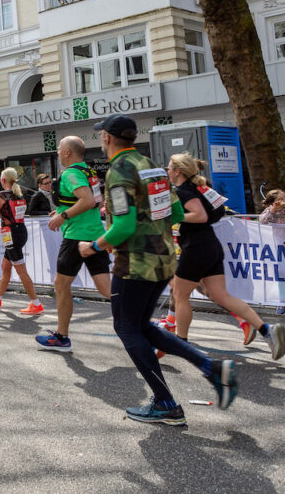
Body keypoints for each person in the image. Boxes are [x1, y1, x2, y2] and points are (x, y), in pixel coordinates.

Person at [78, 115, 238, 425]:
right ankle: (210, 367)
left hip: (135, 264)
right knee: (142, 327)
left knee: (126, 328)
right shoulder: (151, 164)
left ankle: (166, 402)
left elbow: (123, 224)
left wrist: (94, 246)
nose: (101, 140)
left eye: (101, 136)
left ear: (108, 139)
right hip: (165, 259)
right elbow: (176, 211)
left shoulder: (119, 171)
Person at [166, 152, 284, 359]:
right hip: (210, 245)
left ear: (178, 171)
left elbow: (200, 216)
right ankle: (267, 330)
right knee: (221, 296)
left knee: (179, 294)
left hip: (195, 248)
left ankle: (181, 343)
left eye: (169, 167)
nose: (167, 171)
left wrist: (174, 216)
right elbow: (219, 211)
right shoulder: (202, 187)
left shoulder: (183, 191)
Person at [37, 136, 110, 352]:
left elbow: (87, 200)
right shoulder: (89, 171)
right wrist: (60, 211)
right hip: (95, 233)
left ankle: (62, 337)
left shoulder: (71, 173)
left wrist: (64, 216)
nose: (58, 152)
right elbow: (96, 202)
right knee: (107, 289)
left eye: (60, 149)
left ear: (68, 153)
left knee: (60, 284)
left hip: (77, 236)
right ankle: (145, 322)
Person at [0, 168, 44, 315]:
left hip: (11, 235)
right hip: (20, 231)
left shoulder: (2, 194)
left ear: (3, 180)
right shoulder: (18, 193)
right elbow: (10, 213)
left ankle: (36, 304)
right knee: (5, 265)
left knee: (21, 271)